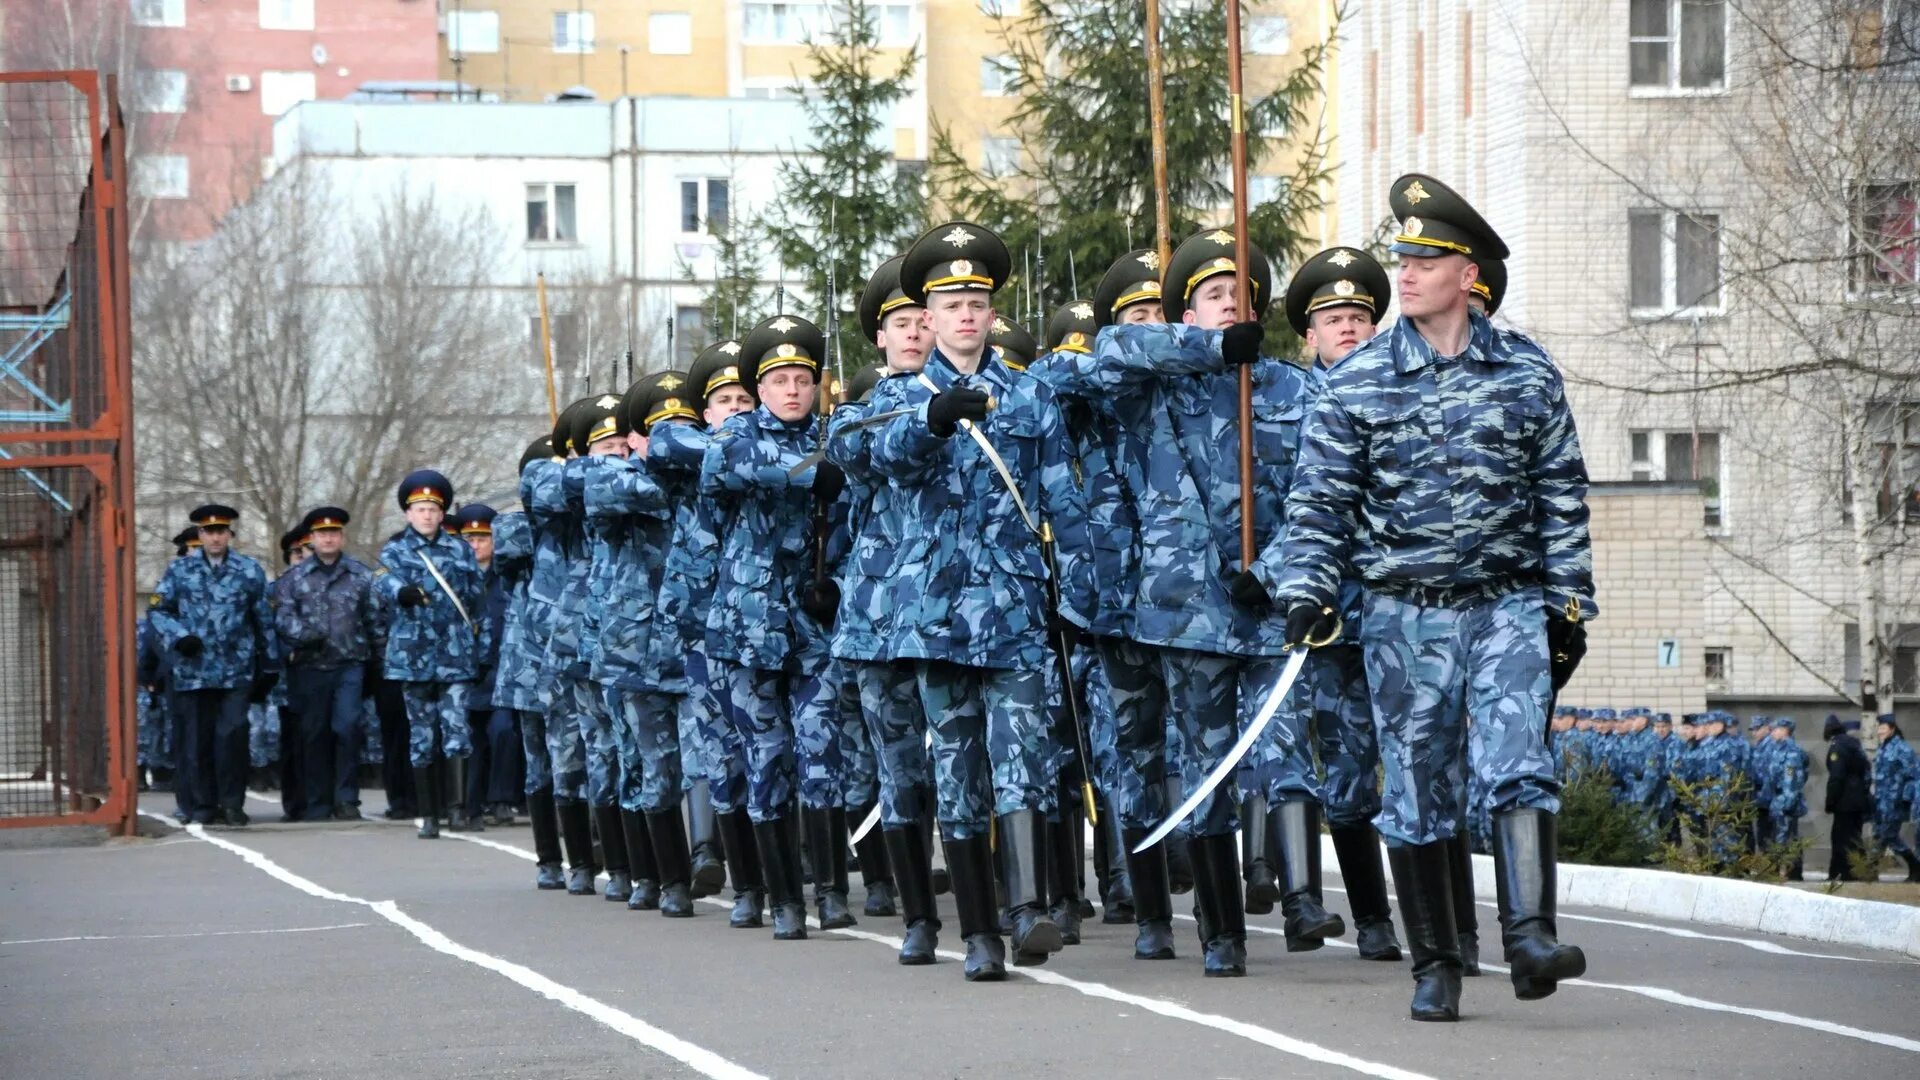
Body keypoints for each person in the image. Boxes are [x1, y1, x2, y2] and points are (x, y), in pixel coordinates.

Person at [1274, 174, 1592, 1021]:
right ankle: (1436, 962)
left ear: (1467, 272)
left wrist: (1568, 607)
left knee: (1520, 763)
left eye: (1425, 259)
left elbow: (1561, 494)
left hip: (1507, 605)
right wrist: (1304, 593)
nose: (1405, 273)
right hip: (1403, 614)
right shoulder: (1358, 382)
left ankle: (1529, 934)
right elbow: (1318, 506)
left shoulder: (1525, 372)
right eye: (1401, 258)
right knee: (1417, 789)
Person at [1035, 227, 1302, 977]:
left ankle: (1296, 892)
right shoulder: (1153, 379)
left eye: (1240, 296)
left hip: (1268, 607)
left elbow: (1319, 495)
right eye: (1214, 296)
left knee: (1281, 756)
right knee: (1187, 763)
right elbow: (1097, 356)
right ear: (1188, 314)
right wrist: (1205, 350)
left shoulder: (1288, 387)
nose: (1229, 306)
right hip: (1179, 613)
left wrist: (1278, 568)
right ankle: (1211, 929)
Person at [869, 221, 1094, 980]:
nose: (966, 314)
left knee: (1025, 760)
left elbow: (1065, 496)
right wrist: (929, 425)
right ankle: (977, 935)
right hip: (934, 618)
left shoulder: (1030, 394)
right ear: (924, 317)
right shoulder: (897, 398)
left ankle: (1026, 910)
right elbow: (870, 458)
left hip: (1017, 612)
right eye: (950, 302)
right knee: (959, 775)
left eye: (977, 300)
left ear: (994, 312)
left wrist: (1081, 590)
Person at [1246, 243, 1404, 963]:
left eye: (1359, 316)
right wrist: (1270, 570)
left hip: (1388, 609)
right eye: (1332, 317)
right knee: (1308, 765)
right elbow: (1290, 508)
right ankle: (1323, 905)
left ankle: (1401, 919)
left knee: (1386, 768)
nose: (1348, 328)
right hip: (1306, 614)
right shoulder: (1279, 402)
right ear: (1307, 334)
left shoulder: (1405, 394)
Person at [702, 313, 851, 941]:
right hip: (748, 625)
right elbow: (722, 469)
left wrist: (835, 581)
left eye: (802, 379)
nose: (792, 390)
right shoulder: (735, 436)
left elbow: (854, 515)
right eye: (779, 380)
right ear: (759, 390)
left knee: (822, 750)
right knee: (765, 757)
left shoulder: (836, 437)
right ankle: (778, 895)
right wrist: (801, 472)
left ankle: (832, 888)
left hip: (813, 622)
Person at [829, 254, 945, 963]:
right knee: (899, 770)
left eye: (921, 320)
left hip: (956, 616)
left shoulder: (981, 395)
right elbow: (862, 456)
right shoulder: (863, 410)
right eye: (900, 324)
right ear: (880, 336)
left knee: (961, 768)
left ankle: (997, 908)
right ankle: (916, 916)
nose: (912, 333)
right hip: (879, 616)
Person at [656, 345, 765, 925]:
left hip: (760, 622)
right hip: (701, 622)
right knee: (718, 749)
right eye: (723, 401)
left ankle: (779, 874)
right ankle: (721, 864)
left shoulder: (769, 448)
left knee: (767, 751)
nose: (734, 408)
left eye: (744, 398)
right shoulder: (690, 447)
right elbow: (669, 442)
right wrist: (745, 444)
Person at [591, 371, 696, 916]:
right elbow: (607, 490)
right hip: (636, 649)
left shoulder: (706, 476)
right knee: (650, 767)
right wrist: (665, 460)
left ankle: (703, 861)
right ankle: (660, 877)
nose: (672, 437)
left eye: (683, 426)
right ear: (635, 437)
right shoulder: (617, 476)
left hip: (697, 644)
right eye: (660, 428)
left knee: (703, 763)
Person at [147, 504, 278, 827]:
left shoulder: (249, 570)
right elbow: (159, 611)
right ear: (200, 535)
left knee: (232, 737)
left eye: (221, 531)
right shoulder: (179, 572)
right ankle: (203, 804)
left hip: (236, 669)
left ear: (229, 534)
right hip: (194, 671)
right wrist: (180, 637)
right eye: (209, 531)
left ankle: (232, 803)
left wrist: (270, 663)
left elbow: (263, 618)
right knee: (197, 741)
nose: (215, 537)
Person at [378, 470, 487, 840]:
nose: (426, 515)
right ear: (408, 514)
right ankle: (428, 813)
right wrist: (399, 591)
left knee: (457, 730)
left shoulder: (459, 549)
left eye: (432, 509)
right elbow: (381, 583)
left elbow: (477, 598)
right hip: (413, 656)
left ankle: (457, 809)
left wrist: (481, 649)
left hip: (455, 654)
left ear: (442, 514)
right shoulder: (395, 550)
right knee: (421, 735)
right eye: (420, 509)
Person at [493, 439, 570, 888]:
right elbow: (511, 554)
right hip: (529, 660)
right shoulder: (516, 526)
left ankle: (587, 844)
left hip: (570, 655)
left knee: (575, 758)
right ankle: (547, 858)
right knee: (539, 761)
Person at [274, 506, 383, 822]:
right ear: (312, 538)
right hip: (309, 667)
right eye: (322, 534)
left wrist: (380, 660)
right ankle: (318, 801)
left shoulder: (360, 575)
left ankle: (347, 799)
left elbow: (374, 619)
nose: (328, 539)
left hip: (350, 665)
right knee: (314, 734)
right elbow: (282, 618)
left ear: (342, 536)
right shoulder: (294, 579)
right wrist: (307, 635)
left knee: (347, 729)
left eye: (333, 533)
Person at [452, 504, 521, 830]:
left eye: (483, 538)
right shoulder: (453, 580)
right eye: (470, 539)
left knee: (503, 731)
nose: (476, 545)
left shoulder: (508, 577)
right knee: (469, 741)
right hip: (465, 674)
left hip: (502, 673)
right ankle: (469, 802)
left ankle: (501, 799)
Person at [1822, 714, 1872, 881]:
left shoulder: (1837, 747)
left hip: (1844, 801)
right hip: (1858, 800)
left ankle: (1840, 873)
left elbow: (1836, 777)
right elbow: (1867, 772)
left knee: (1840, 838)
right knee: (1854, 838)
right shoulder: (1855, 745)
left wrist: (1830, 801)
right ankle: (1859, 871)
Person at [1871, 714, 1919, 880]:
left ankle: (1915, 865)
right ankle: (1870, 872)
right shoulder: (1883, 748)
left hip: (1895, 802)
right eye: (1878, 728)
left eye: (1883, 728)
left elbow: (1913, 775)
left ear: (1892, 729)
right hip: (1881, 802)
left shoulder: (1902, 749)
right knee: (1879, 835)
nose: (1879, 731)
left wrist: (1905, 799)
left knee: (1888, 835)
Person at [1763, 717, 1808, 879]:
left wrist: (1787, 801)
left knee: (1785, 837)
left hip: (1786, 800)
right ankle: (1784, 870)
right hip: (1777, 799)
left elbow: (1792, 777)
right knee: (1781, 836)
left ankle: (1787, 871)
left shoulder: (1791, 751)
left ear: (1785, 731)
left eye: (1776, 730)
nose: (1773, 733)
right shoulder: (1777, 748)